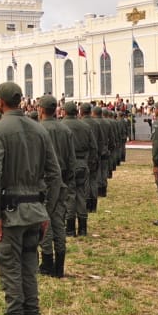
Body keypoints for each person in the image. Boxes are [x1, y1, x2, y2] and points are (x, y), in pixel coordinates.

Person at [0, 82, 61, 315]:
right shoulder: (39, 129)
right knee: (29, 273)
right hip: (35, 211)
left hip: (11, 213)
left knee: (12, 274)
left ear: (0, 102)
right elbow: (55, 175)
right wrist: (46, 208)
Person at [36, 96, 73, 277]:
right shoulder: (65, 130)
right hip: (62, 182)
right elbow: (71, 160)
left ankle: (47, 263)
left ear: (41, 110)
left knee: (44, 223)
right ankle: (59, 267)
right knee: (59, 223)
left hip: (43, 183)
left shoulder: (38, 130)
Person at [62, 100, 97, 243]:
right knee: (81, 194)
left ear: (64, 111)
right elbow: (93, 147)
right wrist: (89, 163)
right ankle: (82, 228)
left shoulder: (62, 126)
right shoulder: (85, 126)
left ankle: (70, 228)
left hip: (68, 164)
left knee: (69, 195)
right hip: (82, 163)